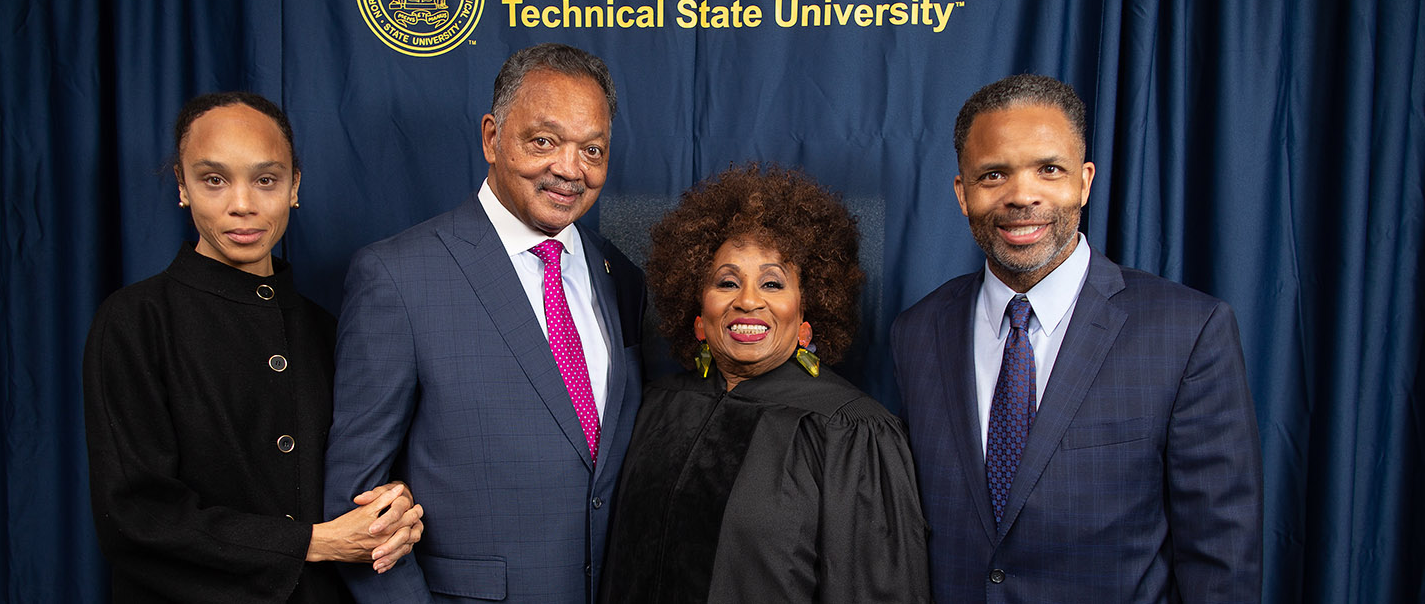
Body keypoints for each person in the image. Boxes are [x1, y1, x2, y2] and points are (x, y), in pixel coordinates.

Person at [891, 74, 1262, 602]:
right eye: (993, 174)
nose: (1022, 196)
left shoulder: (1188, 332)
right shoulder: (917, 332)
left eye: (1049, 169)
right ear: (962, 193)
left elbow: (1220, 558)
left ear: (1084, 182)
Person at [324, 43, 646, 603]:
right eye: (543, 141)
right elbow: (359, 506)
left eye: (592, 149)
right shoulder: (397, 276)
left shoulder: (619, 275)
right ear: (492, 138)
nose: (570, 169)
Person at [83, 91, 424, 603]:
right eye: (214, 180)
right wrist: (315, 542)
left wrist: (395, 508)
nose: (242, 205)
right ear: (182, 185)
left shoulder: (328, 330)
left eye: (266, 180)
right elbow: (136, 515)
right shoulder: (134, 321)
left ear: (294, 186)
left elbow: (368, 472)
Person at [600, 164, 931, 603]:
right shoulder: (659, 407)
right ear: (700, 317)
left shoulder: (850, 433)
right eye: (727, 282)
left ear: (805, 317)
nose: (748, 300)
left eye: (772, 283)